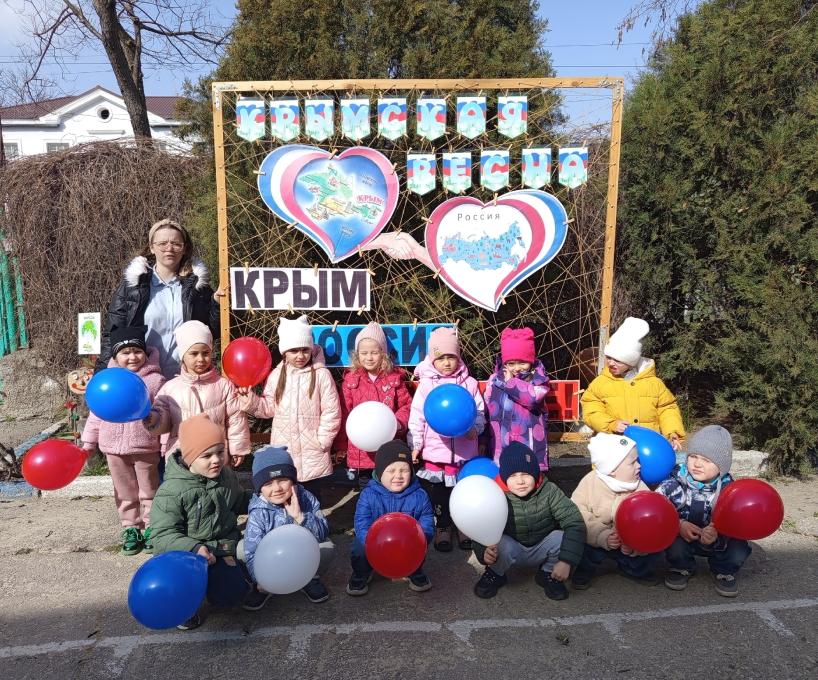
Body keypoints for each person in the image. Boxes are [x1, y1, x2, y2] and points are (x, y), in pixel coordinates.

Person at [150, 414, 253, 630]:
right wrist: (194, 547)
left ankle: (219, 582)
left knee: (232, 594)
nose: (216, 460)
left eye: (220, 452)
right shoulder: (172, 491)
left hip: (220, 549)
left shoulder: (226, 476)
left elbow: (239, 501)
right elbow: (162, 535)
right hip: (186, 556)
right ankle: (184, 603)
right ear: (189, 458)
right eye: (206, 455)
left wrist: (263, 500)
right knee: (180, 585)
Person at [97, 218, 225, 379]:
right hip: (143, 380)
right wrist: (101, 377)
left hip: (186, 381)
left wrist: (217, 304)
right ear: (152, 247)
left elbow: (211, 332)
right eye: (162, 243)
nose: (169, 248)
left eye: (176, 244)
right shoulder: (133, 286)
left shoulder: (198, 287)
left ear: (184, 248)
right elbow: (113, 334)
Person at [81, 325, 165, 555]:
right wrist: (88, 443)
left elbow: (164, 413)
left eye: (137, 351)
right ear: (116, 356)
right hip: (113, 448)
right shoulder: (107, 381)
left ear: (145, 353)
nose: (132, 357)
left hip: (145, 446)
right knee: (124, 491)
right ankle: (130, 527)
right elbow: (96, 415)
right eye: (125, 352)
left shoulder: (155, 381)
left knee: (149, 489)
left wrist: (164, 443)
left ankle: (152, 526)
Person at [239, 315, 340, 500]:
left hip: (312, 451)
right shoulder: (276, 375)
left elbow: (331, 411)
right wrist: (253, 402)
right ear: (284, 351)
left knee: (311, 500)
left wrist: (323, 440)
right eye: (294, 351)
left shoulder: (321, 375)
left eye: (305, 350)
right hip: (284, 452)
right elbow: (268, 408)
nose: (300, 356)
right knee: (285, 499)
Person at [472, 442, 586, 601]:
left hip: (541, 545)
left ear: (535, 472)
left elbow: (574, 521)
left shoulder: (549, 490)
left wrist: (566, 561)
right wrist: (483, 551)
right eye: (512, 476)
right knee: (498, 543)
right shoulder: (494, 493)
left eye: (525, 474)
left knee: (560, 538)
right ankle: (495, 573)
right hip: (511, 547)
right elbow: (480, 525)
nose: (520, 481)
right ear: (504, 477)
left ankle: (548, 573)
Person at [408, 327, 486, 552]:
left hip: (463, 453)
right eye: (441, 358)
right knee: (440, 493)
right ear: (433, 360)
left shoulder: (469, 383)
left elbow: (479, 411)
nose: (446, 363)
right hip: (436, 453)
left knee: (463, 492)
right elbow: (417, 416)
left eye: (451, 357)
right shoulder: (426, 385)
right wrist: (416, 444)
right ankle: (442, 526)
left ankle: (464, 526)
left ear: (458, 357)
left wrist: (475, 428)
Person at [657, 425, 751, 597]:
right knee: (673, 544)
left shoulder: (729, 490)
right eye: (693, 456)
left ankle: (723, 570)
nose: (697, 464)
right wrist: (678, 524)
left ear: (721, 467)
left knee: (738, 548)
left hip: (717, 539)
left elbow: (737, 520)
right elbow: (658, 508)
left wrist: (719, 530)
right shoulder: (674, 481)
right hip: (683, 536)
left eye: (706, 460)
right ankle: (682, 566)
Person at [144, 320, 250, 467]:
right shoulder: (170, 389)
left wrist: (237, 448)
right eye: (194, 354)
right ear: (183, 355)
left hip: (215, 456)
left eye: (205, 353)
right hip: (181, 456)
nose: (200, 359)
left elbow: (235, 418)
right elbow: (163, 421)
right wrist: (153, 419)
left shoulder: (223, 385)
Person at [242, 446, 332, 611]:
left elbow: (322, 532)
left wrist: (300, 517)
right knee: (242, 550)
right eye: (268, 483)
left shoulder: (306, 498)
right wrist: (260, 579)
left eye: (283, 480)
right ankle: (263, 588)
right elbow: (251, 550)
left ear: (293, 480)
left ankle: (308, 578)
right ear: (259, 487)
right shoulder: (259, 511)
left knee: (327, 548)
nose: (277, 488)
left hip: (302, 556)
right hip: (272, 561)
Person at [570, 432, 661, 588]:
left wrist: (633, 542)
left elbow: (649, 518)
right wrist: (601, 536)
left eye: (638, 461)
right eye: (632, 463)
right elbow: (577, 512)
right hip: (596, 537)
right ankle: (583, 570)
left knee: (650, 554)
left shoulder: (639, 486)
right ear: (612, 469)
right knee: (580, 544)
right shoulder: (590, 482)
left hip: (625, 541)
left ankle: (635, 568)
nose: (639, 466)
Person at [581, 317, 685, 451]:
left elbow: (667, 408)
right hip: (613, 447)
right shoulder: (600, 383)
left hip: (648, 446)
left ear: (631, 361)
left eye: (617, 360)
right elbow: (591, 410)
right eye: (609, 357)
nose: (611, 363)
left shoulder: (654, 384)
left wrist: (672, 431)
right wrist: (610, 424)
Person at [346, 440, 434, 596]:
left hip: (407, 543)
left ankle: (414, 571)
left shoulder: (420, 495)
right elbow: (361, 522)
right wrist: (373, 545)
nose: (398, 476)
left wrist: (422, 537)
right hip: (376, 543)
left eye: (404, 470)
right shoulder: (368, 494)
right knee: (359, 547)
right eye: (391, 470)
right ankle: (361, 573)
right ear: (380, 472)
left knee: (420, 544)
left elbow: (427, 521)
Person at [333, 321, 412, 486]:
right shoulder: (350, 381)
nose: (369, 358)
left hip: (389, 448)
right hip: (362, 452)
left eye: (374, 353)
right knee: (367, 488)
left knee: (391, 487)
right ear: (357, 355)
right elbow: (344, 414)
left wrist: (398, 423)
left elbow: (407, 406)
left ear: (383, 353)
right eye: (364, 353)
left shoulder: (394, 379)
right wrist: (341, 445)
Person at [483, 326, 551, 471]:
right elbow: (487, 407)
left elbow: (532, 398)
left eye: (522, 362)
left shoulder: (538, 379)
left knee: (528, 472)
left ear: (531, 361)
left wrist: (511, 383)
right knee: (503, 472)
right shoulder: (495, 380)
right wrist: (484, 438)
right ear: (505, 363)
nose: (517, 368)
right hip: (501, 440)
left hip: (528, 440)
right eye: (511, 363)